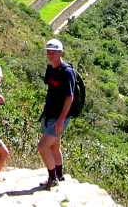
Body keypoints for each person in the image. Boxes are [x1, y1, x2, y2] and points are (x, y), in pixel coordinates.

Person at [37, 38, 75, 190]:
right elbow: (51, 90)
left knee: (42, 147)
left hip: (60, 117)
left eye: (53, 52)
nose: (50, 55)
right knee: (54, 146)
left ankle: (52, 179)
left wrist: (61, 120)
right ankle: (59, 175)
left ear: (60, 53)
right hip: (50, 114)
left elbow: (70, 97)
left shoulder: (67, 72)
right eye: (48, 52)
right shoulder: (50, 69)